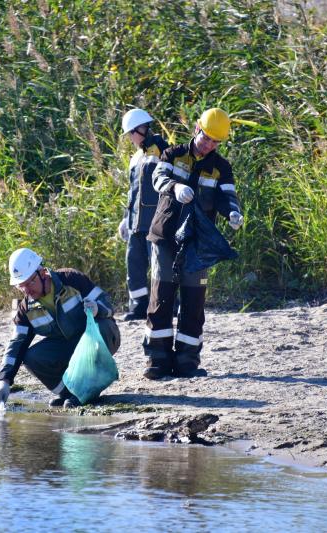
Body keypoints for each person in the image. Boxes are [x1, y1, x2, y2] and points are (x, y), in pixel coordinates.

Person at [143, 108, 243, 379]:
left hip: (198, 242)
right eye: (206, 137)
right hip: (165, 235)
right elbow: (158, 178)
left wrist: (233, 212)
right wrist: (175, 187)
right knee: (161, 297)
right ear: (197, 128)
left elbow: (227, 197)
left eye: (215, 141)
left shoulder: (221, 167)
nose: (208, 144)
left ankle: (188, 361)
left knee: (193, 300)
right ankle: (157, 360)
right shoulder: (172, 154)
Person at [0, 248, 121, 408]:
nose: (27, 290)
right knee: (32, 357)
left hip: (100, 339)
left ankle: (88, 392)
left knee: (102, 325)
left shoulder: (72, 279)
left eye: (30, 282)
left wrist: (97, 308)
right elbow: (16, 345)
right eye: (21, 286)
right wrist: (4, 380)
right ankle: (70, 393)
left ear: (43, 273)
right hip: (67, 348)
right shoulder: (26, 309)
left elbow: (107, 304)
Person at [117, 108, 169, 321]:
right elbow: (133, 191)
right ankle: (139, 305)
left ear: (142, 128)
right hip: (135, 222)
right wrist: (125, 219)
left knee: (160, 265)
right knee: (134, 264)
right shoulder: (136, 157)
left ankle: (166, 304)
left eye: (131, 133)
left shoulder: (162, 150)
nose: (130, 138)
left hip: (155, 221)